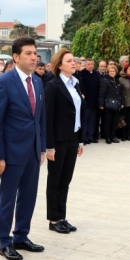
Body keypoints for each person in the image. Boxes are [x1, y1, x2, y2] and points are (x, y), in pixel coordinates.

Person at [0, 37, 46, 260]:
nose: (34, 57)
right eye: (29, 53)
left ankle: (21, 236)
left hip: (33, 151)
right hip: (11, 153)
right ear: (16, 57)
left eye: (35, 53)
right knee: (8, 197)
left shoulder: (38, 82)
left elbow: (40, 118)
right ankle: (5, 242)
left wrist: (41, 147)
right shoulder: (4, 82)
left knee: (29, 196)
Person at [44, 49, 85, 234]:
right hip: (58, 141)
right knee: (55, 180)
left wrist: (81, 140)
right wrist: (49, 145)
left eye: (74, 60)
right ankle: (53, 219)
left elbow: (79, 114)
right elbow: (48, 117)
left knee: (65, 180)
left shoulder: (75, 84)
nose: (73, 63)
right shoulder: (53, 86)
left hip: (72, 139)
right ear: (60, 65)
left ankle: (62, 216)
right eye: (69, 61)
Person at [98, 63, 124, 144]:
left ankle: (113, 137)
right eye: (111, 71)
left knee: (114, 122)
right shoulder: (105, 81)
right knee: (107, 122)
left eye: (113, 71)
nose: (112, 72)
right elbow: (101, 93)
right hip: (108, 105)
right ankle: (107, 138)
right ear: (108, 72)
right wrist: (101, 104)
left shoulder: (117, 81)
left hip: (116, 105)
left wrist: (122, 102)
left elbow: (121, 93)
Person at [80, 58, 101, 144]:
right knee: (85, 121)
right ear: (85, 65)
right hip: (86, 102)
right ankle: (84, 138)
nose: (90, 66)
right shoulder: (82, 74)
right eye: (88, 64)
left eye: (92, 64)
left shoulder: (97, 74)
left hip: (94, 101)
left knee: (92, 121)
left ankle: (90, 137)